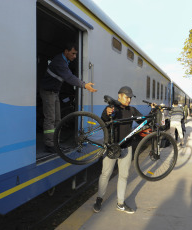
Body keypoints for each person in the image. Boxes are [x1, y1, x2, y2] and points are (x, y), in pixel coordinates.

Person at [93, 86, 155, 214]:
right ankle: (99, 199)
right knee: (105, 174)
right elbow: (104, 118)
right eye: (127, 97)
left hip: (126, 146)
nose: (129, 100)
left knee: (124, 176)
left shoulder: (132, 110)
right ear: (119, 96)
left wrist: (152, 111)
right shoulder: (112, 108)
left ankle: (120, 203)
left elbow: (143, 120)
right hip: (111, 147)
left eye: (130, 98)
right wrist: (107, 112)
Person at [40, 43, 97, 153]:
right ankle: (49, 144)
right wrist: (84, 85)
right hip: (48, 92)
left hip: (54, 92)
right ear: (66, 51)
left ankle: (55, 141)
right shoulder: (59, 62)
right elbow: (69, 77)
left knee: (57, 119)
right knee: (50, 119)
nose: (75, 56)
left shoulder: (65, 61)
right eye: (73, 53)